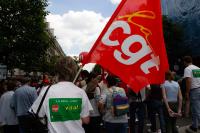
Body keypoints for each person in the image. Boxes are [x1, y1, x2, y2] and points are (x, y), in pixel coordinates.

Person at [30, 56, 93, 133]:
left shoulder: (47, 90)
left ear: (57, 72)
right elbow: (86, 120)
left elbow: (38, 114)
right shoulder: (81, 92)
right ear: (74, 72)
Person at [183, 56, 200, 132]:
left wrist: (187, 92)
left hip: (194, 90)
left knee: (195, 109)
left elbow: (188, 80)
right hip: (199, 88)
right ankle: (195, 125)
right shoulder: (197, 68)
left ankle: (195, 126)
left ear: (185, 62)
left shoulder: (187, 69)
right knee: (198, 108)